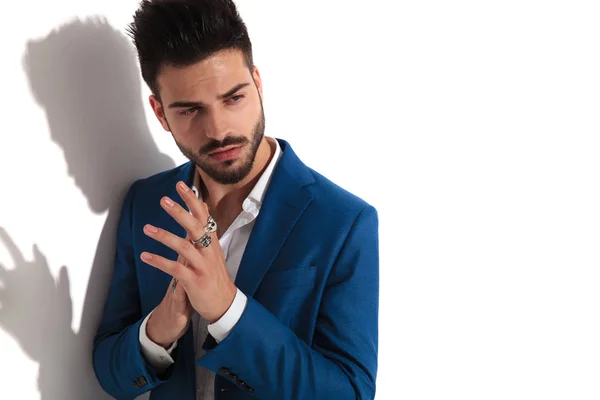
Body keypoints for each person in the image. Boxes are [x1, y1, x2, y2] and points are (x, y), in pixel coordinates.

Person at [92, 0, 379, 399]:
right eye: (190, 110)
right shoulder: (146, 203)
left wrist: (228, 310)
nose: (219, 129)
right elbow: (109, 370)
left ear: (257, 83)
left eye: (233, 98)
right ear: (160, 113)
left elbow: (350, 393)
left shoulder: (344, 222)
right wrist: (157, 333)